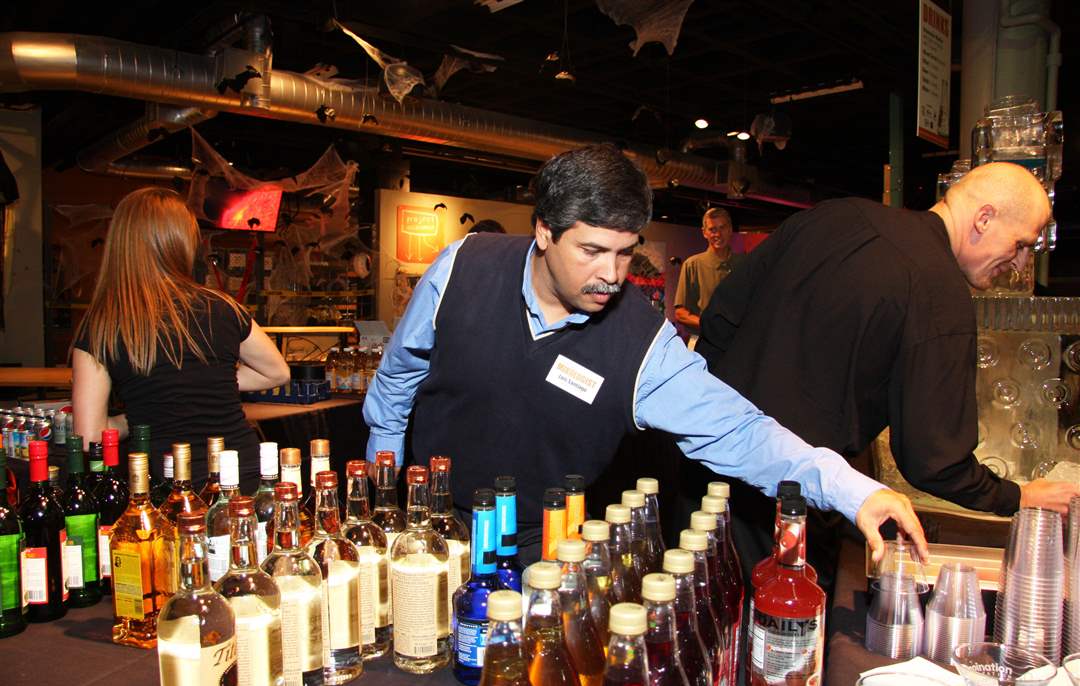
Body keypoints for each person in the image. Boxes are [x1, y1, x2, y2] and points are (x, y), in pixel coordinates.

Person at [363, 143, 926, 564]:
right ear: (544, 231)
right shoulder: (463, 265)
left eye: (625, 253)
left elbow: (741, 432)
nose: (611, 275)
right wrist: (386, 480)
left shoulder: (642, 344)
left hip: (543, 546)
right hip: (429, 521)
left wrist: (853, 491)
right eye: (592, 250)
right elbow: (399, 374)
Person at [695, 161, 1079, 584]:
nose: (1021, 263)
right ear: (984, 218)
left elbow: (719, 318)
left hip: (706, 476)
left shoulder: (835, 215)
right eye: (1020, 244)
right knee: (777, 621)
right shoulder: (939, 293)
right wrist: (1018, 496)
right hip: (789, 508)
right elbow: (933, 459)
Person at [72, 187, 290, 492]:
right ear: (184, 242)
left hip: (165, 485)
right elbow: (277, 373)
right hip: (242, 476)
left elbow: (90, 436)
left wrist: (129, 419)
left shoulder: (103, 324)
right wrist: (209, 380)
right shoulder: (222, 307)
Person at [673, 207, 741, 346]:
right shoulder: (692, 265)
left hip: (737, 343)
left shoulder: (744, 263)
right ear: (704, 233)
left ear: (730, 230)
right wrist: (708, 325)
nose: (718, 234)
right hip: (702, 341)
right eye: (712, 229)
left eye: (722, 228)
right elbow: (680, 313)